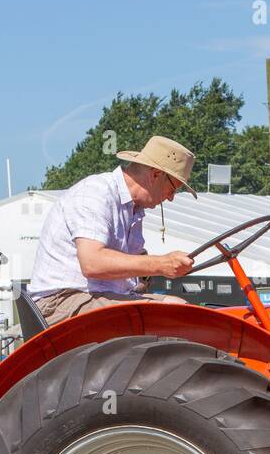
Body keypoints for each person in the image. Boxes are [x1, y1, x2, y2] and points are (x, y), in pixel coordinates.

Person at [27, 135, 197, 325]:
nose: (171, 198)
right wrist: (160, 264)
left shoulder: (134, 209)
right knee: (161, 320)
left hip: (99, 297)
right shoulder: (95, 192)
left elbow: (124, 270)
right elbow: (92, 263)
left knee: (182, 310)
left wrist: (144, 276)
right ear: (155, 175)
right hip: (64, 302)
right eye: (173, 189)